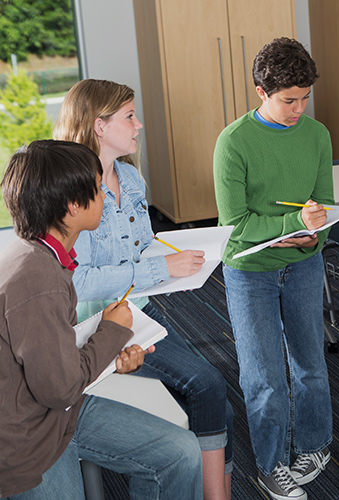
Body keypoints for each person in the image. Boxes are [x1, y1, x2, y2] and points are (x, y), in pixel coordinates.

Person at [52, 79, 234, 500]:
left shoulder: (130, 178)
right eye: (129, 116)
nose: (138, 125)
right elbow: (78, 282)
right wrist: (156, 269)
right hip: (100, 324)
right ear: (99, 126)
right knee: (207, 385)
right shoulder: (71, 193)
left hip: (144, 311)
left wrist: (182, 253)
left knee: (218, 404)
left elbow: (144, 242)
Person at [0, 140, 202, 499]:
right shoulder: (38, 277)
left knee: (179, 453)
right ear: (73, 207)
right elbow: (58, 388)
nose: (105, 197)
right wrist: (111, 332)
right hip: (28, 437)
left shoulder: (40, 251)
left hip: (61, 409)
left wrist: (111, 353)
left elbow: (53, 360)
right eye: (97, 190)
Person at [213, 37, 333, 500]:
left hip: (304, 263)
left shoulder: (317, 135)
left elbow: (323, 207)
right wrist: (293, 223)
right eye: (288, 100)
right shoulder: (234, 142)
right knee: (263, 376)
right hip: (249, 271)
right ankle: (269, 466)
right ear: (261, 93)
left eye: (305, 98)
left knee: (310, 364)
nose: (299, 108)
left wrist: (315, 234)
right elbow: (235, 227)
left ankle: (316, 444)